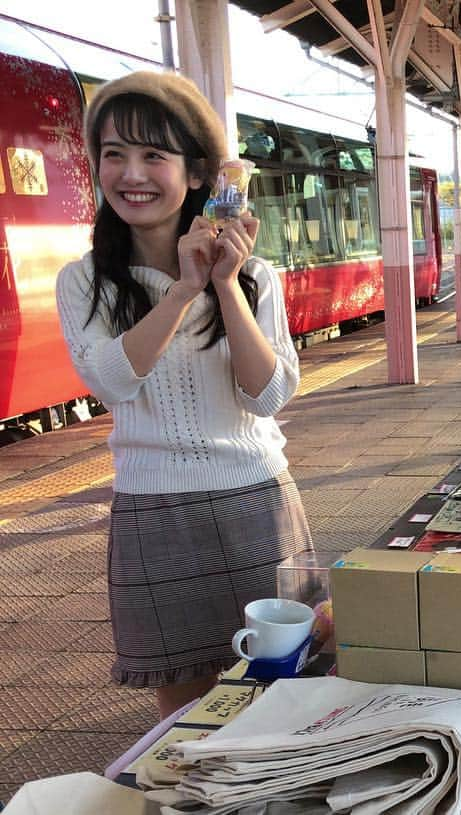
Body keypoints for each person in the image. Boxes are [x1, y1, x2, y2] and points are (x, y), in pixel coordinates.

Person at [56, 72, 312, 719]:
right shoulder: (84, 283)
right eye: (113, 154)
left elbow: (270, 393)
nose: (130, 173)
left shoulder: (255, 276)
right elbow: (113, 381)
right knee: (184, 714)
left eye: (153, 155)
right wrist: (182, 289)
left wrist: (225, 285)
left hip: (257, 503)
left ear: (197, 173)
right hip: (153, 512)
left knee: (284, 692)